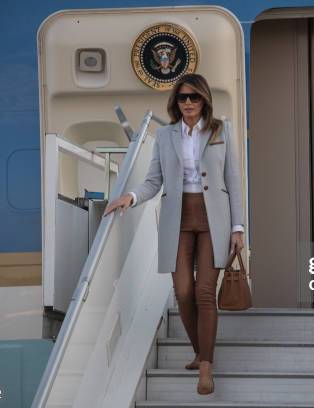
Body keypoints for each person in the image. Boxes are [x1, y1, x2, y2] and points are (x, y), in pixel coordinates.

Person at [104, 73, 245, 394]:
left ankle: (206, 367)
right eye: (183, 98)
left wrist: (238, 227)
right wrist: (132, 196)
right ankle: (200, 351)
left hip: (215, 221)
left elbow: (233, 181)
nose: (189, 103)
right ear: (175, 102)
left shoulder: (222, 130)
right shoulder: (165, 135)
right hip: (177, 219)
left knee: (204, 292)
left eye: (194, 97)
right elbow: (154, 180)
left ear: (205, 100)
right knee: (183, 292)